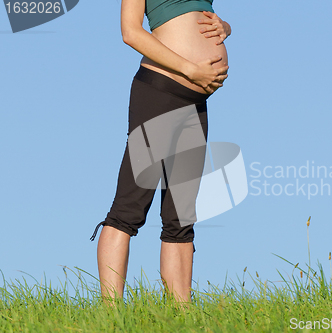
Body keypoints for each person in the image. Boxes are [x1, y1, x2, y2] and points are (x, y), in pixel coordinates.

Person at [89, 0, 231, 306]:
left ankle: (182, 315)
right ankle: (110, 312)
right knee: (129, 208)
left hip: (196, 101)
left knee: (181, 218)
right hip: (160, 91)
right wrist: (190, 68)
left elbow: (199, 17)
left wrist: (225, 28)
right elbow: (130, 31)